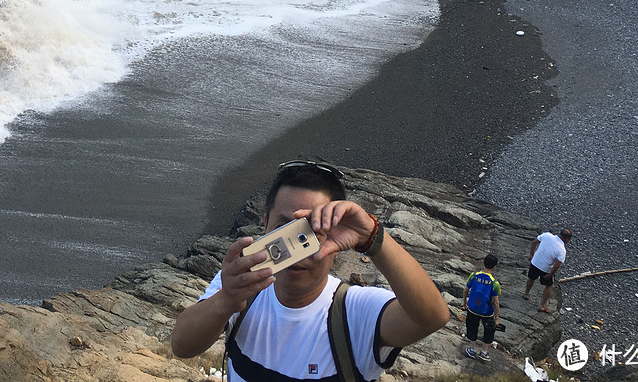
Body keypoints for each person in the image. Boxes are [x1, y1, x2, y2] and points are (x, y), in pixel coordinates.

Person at [170, 160, 450, 381]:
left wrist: (372, 238)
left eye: (313, 231)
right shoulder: (242, 289)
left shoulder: (354, 311)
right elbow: (182, 346)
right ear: (265, 225)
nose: (296, 250)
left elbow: (432, 317)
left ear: (337, 233)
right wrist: (224, 302)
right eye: (283, 228)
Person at [524, 228, 572, 313]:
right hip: (545, 269)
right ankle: (542, 305)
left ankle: (526, 294)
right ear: (567, 239)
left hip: (535, 263)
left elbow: (534, 242)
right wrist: (550, 274)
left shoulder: (547, 235)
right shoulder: (562, 250)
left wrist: (531, 255)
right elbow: (557, 264)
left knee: (531, 278)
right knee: (549, 286)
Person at [462, 254, 500, 361]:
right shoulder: (494, 283)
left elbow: (465, 290)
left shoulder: (473, 276)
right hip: (487, 312)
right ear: (494, 267)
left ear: (483, 263)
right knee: (489, 330)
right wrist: (497, 318)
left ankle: (473, 349)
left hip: (473, 308)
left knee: (472, 327)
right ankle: (484, 352)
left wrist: (465, 302)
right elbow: (496, 302)